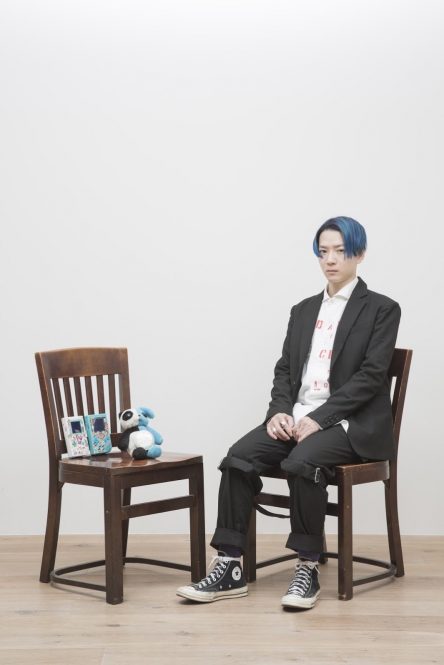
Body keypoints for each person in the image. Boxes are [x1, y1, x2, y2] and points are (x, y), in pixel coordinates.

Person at [176, 216, 401, 610]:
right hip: (298, 417)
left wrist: (321, 418)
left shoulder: (382, 309)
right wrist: (278, 412)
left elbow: (370, 377)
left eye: (341, 251)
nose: (331, 259)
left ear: (360, 254)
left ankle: (307, 567)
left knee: (302, 461)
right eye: (323, 251)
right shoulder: (303, 310)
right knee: (238, 457)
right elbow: (284, 370)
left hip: (350, 424)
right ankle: (229, 566)